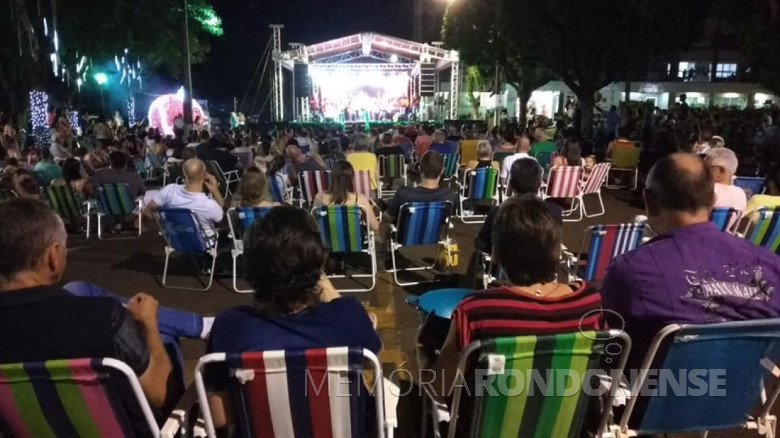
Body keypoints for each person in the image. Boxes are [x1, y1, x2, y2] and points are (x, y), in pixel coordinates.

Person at [0, 199, 213, 431]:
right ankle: (197, 326)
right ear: (53, 256)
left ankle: (197, 325)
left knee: (79, 288)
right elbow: (165, 396)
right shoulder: (102, 319)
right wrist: (149, 324)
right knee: (163, 339)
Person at [204, 206, 381, 431]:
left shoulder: (231, 325)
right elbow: (372, 356)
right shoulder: (347, 316)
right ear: (318, 263)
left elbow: (218, 416)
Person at [418, 196, 603, 404]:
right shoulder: (589, 301)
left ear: (496, 253)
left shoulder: (477, 311)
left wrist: (423, 354)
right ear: (557, 250)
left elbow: (439, 388)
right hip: (568, 424)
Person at [601, 153, 780, 365]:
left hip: (660, 391)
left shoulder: (632, 270)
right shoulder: (771, 265)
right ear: (712, 200)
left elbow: (609, 342)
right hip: (741, 392)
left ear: (650, 200)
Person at [475, 158, 563, 252]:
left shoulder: (500, 213)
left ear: (512, 185)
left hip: (509, 264)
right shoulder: (554, 212)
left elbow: (481, 242)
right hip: (543, 264)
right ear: (538, 184)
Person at [144, 158, 224, 237]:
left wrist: (166, 225)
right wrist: (215, 190)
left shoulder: (169, 190)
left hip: (177, 242)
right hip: (204, 245)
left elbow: (146, 211)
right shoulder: (208, 204)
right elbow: (221, 218)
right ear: (205, 175)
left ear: (184, 173)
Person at [385, 150, 458, 221]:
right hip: (434, 233)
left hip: (408, 232)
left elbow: (389, 217)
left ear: (419, 168)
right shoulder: (449, 196)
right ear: (442, 170)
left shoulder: (404, 194)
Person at [314, 161, 380, 233]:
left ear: (332, 177)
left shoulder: (320, 197)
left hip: (326, 242)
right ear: (351, 179)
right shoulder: (359, 199)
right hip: (353, 243)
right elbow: (375, 227)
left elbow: (314, 224)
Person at [704, 147, 747, 212]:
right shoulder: (741, 194)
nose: (702, 171)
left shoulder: (705, 191)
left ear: (720, 171)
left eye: (705, 168)